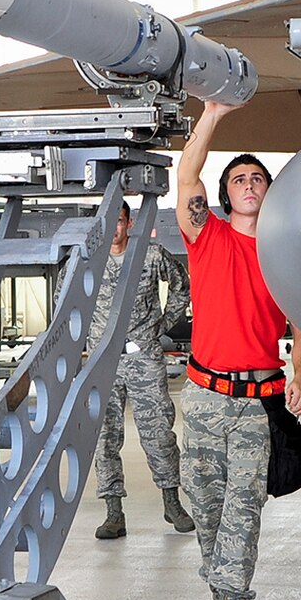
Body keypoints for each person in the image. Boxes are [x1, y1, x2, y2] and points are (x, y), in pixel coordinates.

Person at [176, 100, 301, 600]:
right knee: (207, 509)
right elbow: (186, 174)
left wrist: (300, 373)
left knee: (242, 511)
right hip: (205, 399)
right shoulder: (205, 237)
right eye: (239, 179)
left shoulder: (286, 257)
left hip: (260, 406)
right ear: (225, 194)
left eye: (258, 178)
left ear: (269, 191)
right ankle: (221, 589)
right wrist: (211, 114)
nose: (250, 185)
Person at [93, 203, 194, 539]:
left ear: (129, 222)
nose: (114, 230)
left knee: (158, 432)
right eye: (108, 224)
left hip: (143, 357)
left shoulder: (149, 255)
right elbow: (66, 298)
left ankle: (171, 502)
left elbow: (182, 284)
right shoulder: (86, 260)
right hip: (102, 360)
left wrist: (163, 324)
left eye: (119, 222)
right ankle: (113, 513)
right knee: (103, 437)